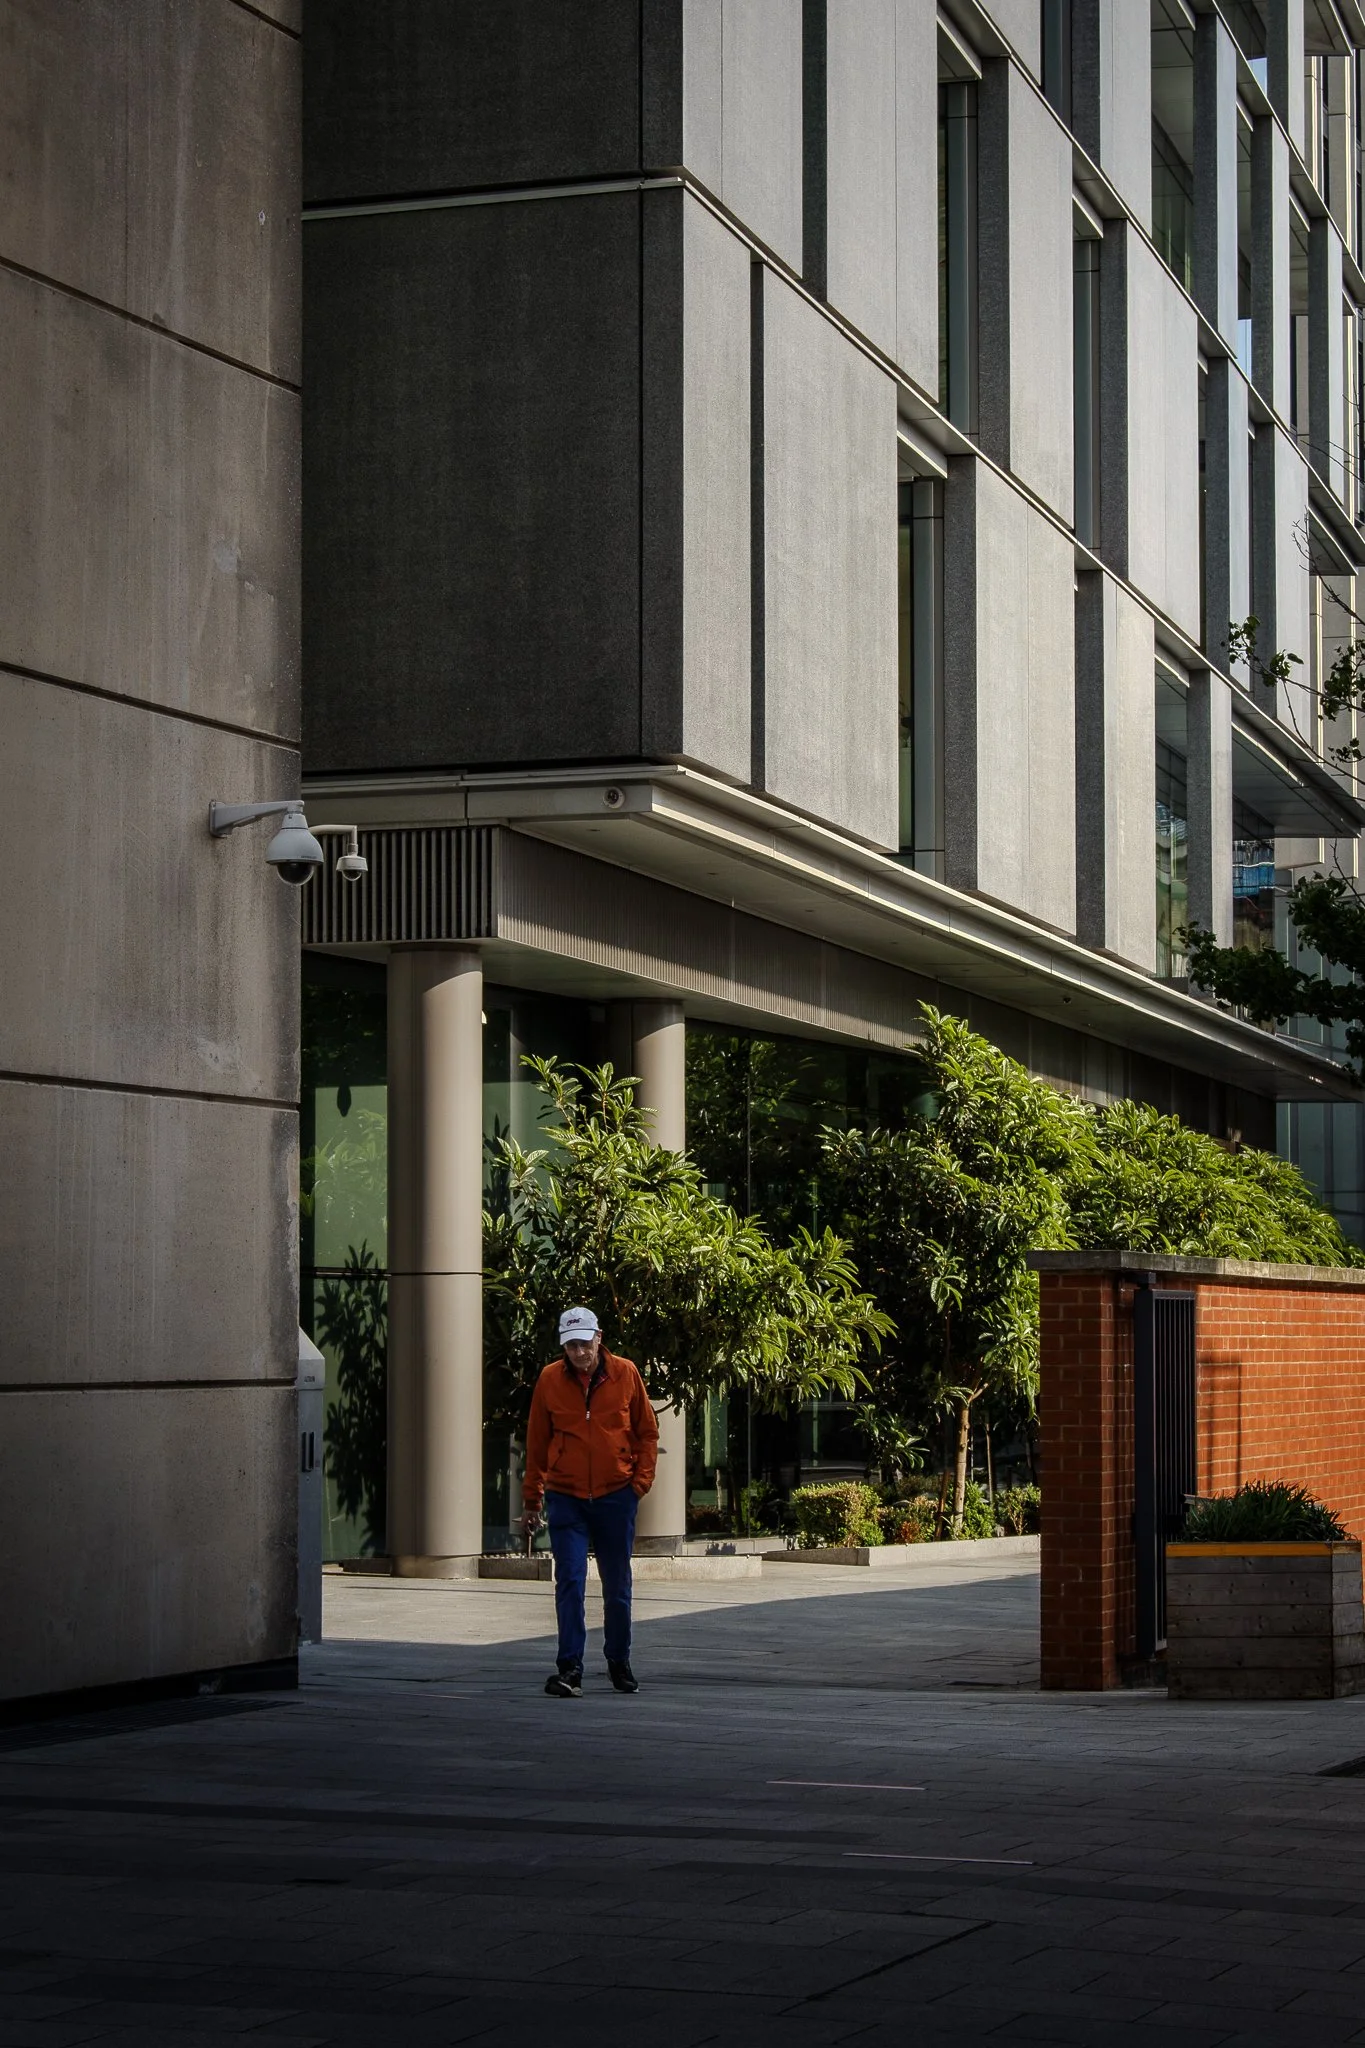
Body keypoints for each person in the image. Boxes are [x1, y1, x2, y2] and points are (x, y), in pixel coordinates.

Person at [522, 1307, 659, 1697]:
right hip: (567, 1498)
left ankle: (619, 1660)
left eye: (584, 1343)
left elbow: (647, 1433)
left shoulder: (626, 1373)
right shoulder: (550, 1379)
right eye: (571, 1346)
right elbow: (537, 1442)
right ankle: (570, 1668)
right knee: (569, 1580)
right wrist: (533, 1499)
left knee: (617, 1585)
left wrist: (639, 1485)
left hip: (616, 1496)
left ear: (599, 1338)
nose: (579, 1353)